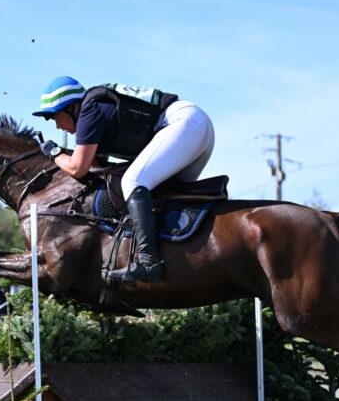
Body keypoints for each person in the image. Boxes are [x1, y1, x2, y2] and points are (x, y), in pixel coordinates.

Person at [32, 76, 215, 284]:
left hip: (184, 123)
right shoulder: (97, 109)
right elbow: (95, 165)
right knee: (162, 193)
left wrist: (54, 153)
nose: (58, 126)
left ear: (72, 107)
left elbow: (77, 168)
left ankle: (148, 262)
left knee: (133, 182)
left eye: (57, 118)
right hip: (196, 125)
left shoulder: (89, 111)